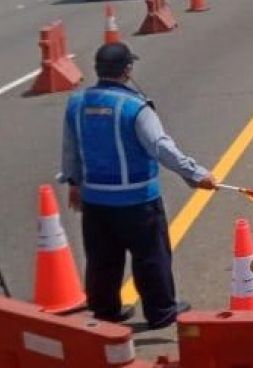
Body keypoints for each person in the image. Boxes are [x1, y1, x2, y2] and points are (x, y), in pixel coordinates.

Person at [60, 43, 216, 328]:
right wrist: (195, 174)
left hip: (95, 201)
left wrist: (74, 182)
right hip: (138, 201)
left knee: (102, 260)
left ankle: (105, 311)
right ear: (127, 70)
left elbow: (71, 149)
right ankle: (161, 311)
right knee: (151, 258)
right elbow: (161, 147)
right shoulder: (135, 107)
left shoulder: (78, 103)